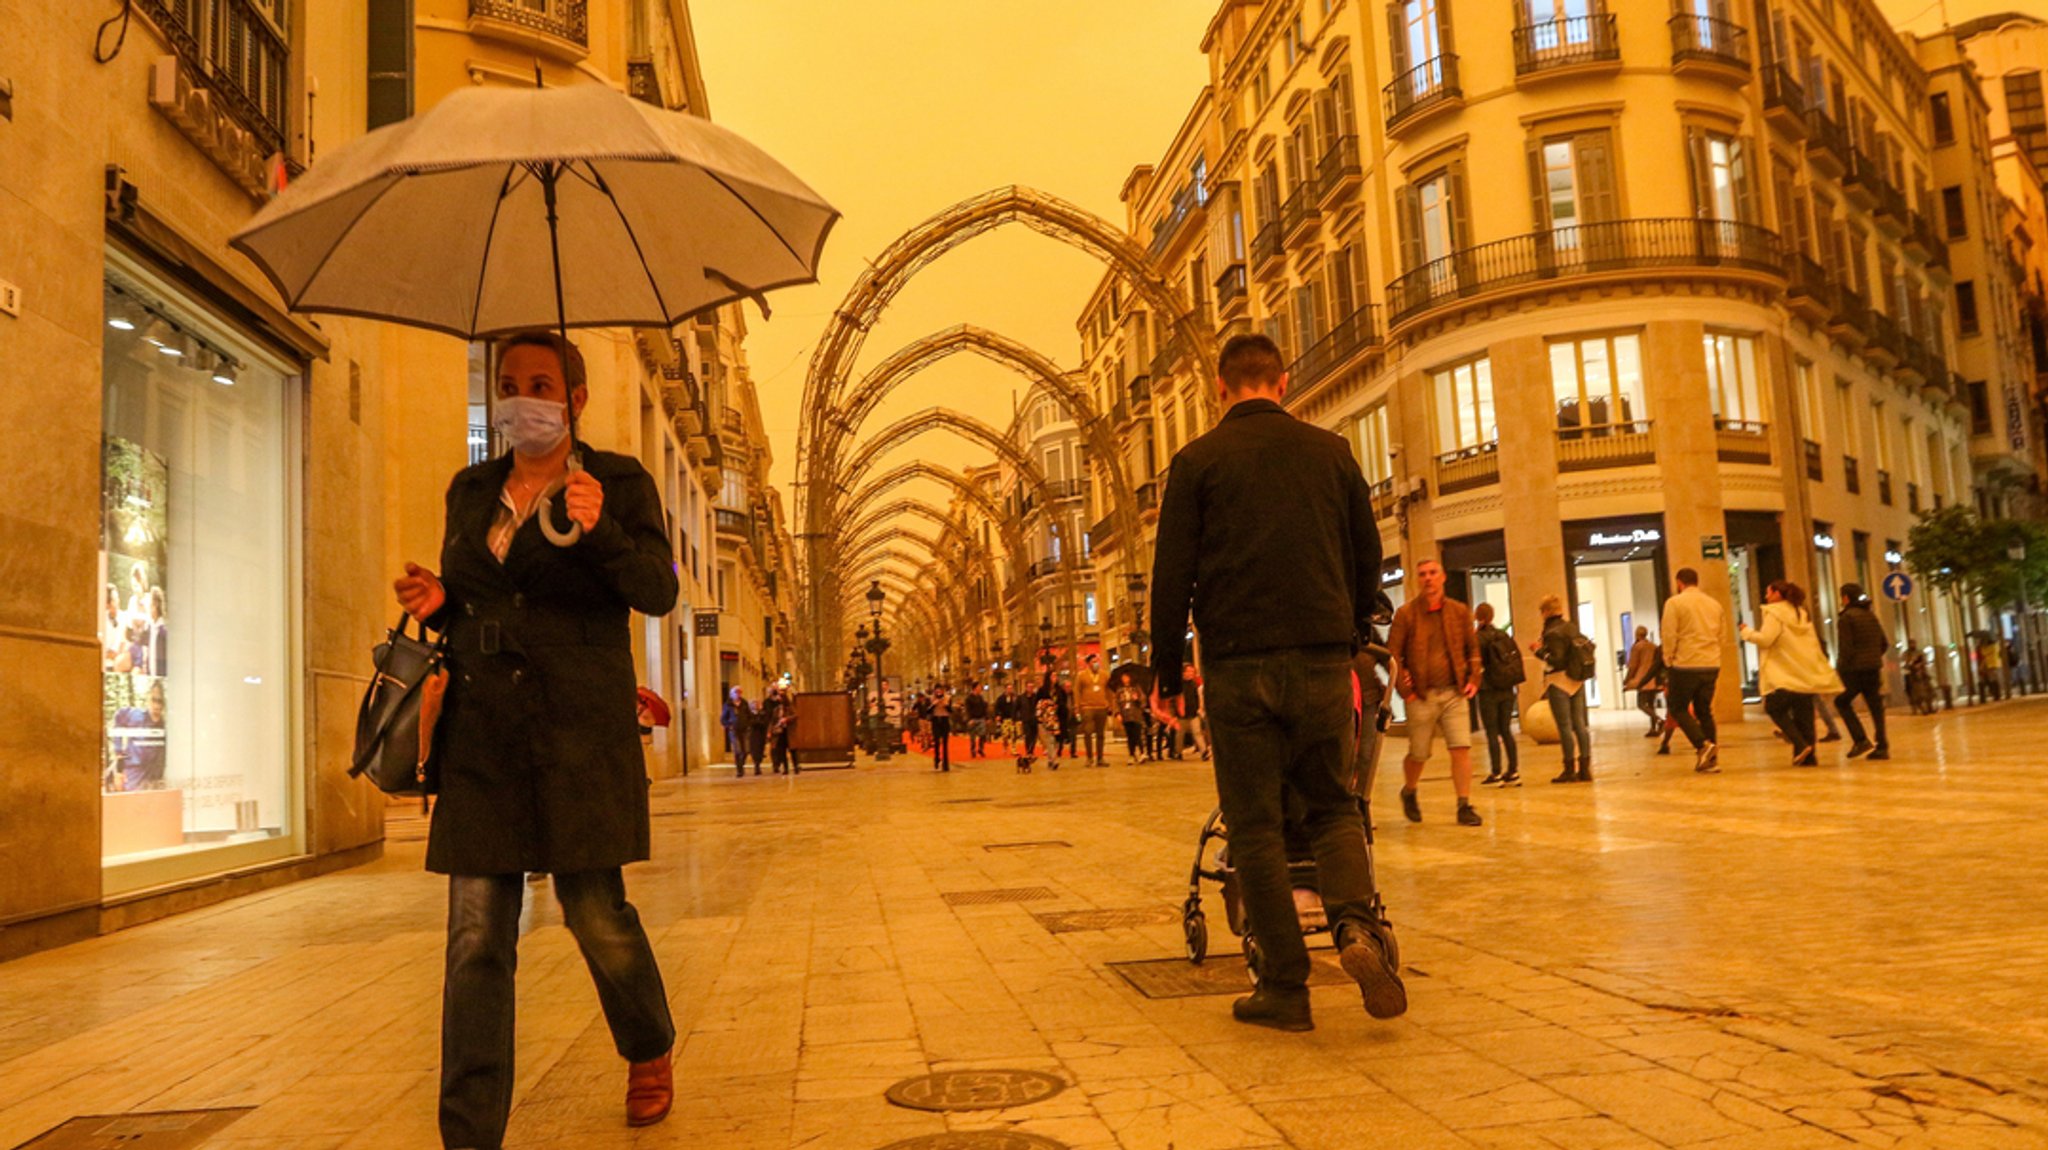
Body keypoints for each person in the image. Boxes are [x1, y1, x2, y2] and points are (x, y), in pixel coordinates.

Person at [390, 331, 677, 1147]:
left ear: (575, 399)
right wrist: (440, 601)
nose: (522, 398)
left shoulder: (617, 481)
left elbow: (657, 591)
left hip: (579, 731)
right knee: (477, 934)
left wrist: (602, 532)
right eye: (508, 383)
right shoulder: (471, 489)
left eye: (541, 384)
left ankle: (648, 1043)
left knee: (596, 913)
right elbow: (483, 604)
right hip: (485, 735)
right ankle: (470, 1129)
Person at [1149, 332, 1405, 1032]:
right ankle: (1355, 928)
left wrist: (1167, 672)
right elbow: (1367, 556)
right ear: (1283, 381)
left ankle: (1285, 988)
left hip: (1236, 665)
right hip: (1324, 662)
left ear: (1220, 390)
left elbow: (1172, 574)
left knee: (1256, 824)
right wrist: (1352, 632)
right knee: (1332, 807)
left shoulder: (1197, 461)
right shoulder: (1332, 453)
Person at [1388, 558, 1484, 825]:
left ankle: (1464, 804)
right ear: (1417, 580)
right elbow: (1392, 654)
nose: (1428, 578)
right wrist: (1404, 691)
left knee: (1460, 747)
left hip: (1454, 692)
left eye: (1432, 573)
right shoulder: (1406, 614)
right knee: (1419, 753)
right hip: (1421, 694)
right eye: (1422, 574)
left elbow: (1472, 648)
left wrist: (1474, 678)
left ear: (1442, 577)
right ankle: (1409, 790)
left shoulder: (1460, 611)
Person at [1741, 580, 1844, 766]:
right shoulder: (1801, 613)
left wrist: (1747, 632)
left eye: (1768, 592)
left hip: (1784, 672)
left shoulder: (1774, 613)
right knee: (1804, 715)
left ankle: (1799, 743)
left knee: (1774, 708)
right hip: (1803, 671)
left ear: (1777, 594)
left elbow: (1766, 640)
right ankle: (1809, 756)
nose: (1766, 597)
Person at [1660, 567, 1729, 774]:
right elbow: (1722, 636)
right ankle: (1712, 759)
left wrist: (1668, 658)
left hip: (1686, 664)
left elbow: (1669, 633)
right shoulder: (1714, 604)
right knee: (1704, 710)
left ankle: (1702, 745)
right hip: (1711, 663)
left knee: (1678, 707)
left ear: (1679, 582)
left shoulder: (1674, 603)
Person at [1532, 596, 1594, 784]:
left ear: (1545, 612)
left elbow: (1556, 659)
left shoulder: (1551, 632)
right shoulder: (1571, 627)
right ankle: (1585, 768)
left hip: (1559, 682)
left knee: (1564, 726)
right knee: (1580, 725)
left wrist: (1537, 650)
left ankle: (1569, 769)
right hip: (1577, 680)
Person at [1832, 583, 1892, 761]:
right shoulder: (1870, 615)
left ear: (1846, 598)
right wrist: (1873, 657)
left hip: (1854, 671)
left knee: (1842, 702)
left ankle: (1860, 739)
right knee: (1876, 707)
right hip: (1873, 668)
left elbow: (1846, 648)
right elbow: (1884, 643)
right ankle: (1882, 746)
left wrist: (1841, 669)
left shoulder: (1846, 618)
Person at [1472, 602, 1523, 787]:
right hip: (1507, 689)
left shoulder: (1478, 638)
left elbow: (1475, 665)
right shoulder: (1503, 636)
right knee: (1506, 730)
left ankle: (1496, 773)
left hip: (1488, 690)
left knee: (1492, 732)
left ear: (1478, 616)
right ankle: (1513, 771)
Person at [108, 678, 168, 791]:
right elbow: (118, 716)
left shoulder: (164, 727)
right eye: (154, 700)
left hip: (151, 781)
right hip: (132, 776)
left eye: (160, 701)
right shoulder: (137, 716)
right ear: (148, 700)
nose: (156, 705)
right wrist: (118, 751)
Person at [1623, 625, 1662, 737]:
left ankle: (1659, 720)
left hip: (1642, 679)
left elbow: (1633, 666)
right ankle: (1653, 728)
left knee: (1641, 704)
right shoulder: (1653, 646)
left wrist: (1627, 679)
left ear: (1637, 634)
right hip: (1653, 679)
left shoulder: (1637, 647)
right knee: (1651, 704)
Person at [1074, 654, 1112, 767]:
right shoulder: (1082, 676)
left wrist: (1110, 704)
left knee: (1101, 734)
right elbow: (1077, 691)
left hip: (1102, 707)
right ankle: (1089, 757)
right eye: (1093, 662)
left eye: (1097, 661)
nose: (1096, 664)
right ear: (1088, 663)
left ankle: (1100, 758)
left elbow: (1109, 690)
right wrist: (1077, 706)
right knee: (1088, 732)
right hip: (1087, 708)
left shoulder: (1105, 675)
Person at [722, 687, 759, 777]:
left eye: (740, 692)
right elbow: (723, 718)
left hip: (745, 730)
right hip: (734, 730)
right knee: (737, 750)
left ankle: (741, 764)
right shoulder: (728, 705)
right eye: (736, 692)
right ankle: (739, 770)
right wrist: (729, 725)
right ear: (732, 694)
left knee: (746, 750)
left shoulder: (744, 703)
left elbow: (749, 715)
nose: (738, 694)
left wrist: (749, 724)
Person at [1178, 666, 1210, 759]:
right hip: (1181, 714)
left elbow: (1196, 698)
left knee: (1197, 733)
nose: (1191, 674)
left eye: (1192, 672)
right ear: (1183, 673)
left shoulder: (1194, 684)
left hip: (1193, 713)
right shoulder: (1179, 685)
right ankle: (1177, 752)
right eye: (1189, 671)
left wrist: (1198, 708)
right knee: (1180, 735)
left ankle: (1204, 752)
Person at [762, 686, 795, 774]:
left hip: (788, 731)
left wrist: (786, 719)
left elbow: (795, 715)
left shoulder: (789, 707)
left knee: (791, 750)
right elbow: (772, 720)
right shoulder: (776, 708)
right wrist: (769, 731)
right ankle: (782, 767)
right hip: (778, 731)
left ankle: (795, 766)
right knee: (779, 749)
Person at [1116, 680, 1149, 762]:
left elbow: (1143, 702)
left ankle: (1142, 753)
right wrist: (1117, 713)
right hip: (1126, 715)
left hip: (1136, 715)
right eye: (1124, 678)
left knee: (1137, 734)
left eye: (1127, 677)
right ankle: (1132, 754)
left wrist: (1137, 699)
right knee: (1130, 735)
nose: (1126, 680)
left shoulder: (1137, 688)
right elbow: (1116, 702)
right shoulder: (1120, 690)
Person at [928, 683, 954, 772]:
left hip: (944, 720)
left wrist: (946, 705)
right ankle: (937, 758)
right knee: (936, 742)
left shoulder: (948, 698)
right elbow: (927, 711)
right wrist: (934, 704)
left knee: (945, 743)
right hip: (936, 721)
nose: (938, 692)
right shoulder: (931, 698)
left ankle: (945, 764)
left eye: (940, 690)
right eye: (937, 690)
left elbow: (951, 711)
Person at [964, 683, 990, 758]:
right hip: (973, 719)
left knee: (982, 734)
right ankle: (973, 750)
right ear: (975, 688)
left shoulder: (980, 697)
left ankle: (980, 748)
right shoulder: (969, 698)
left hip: (980, 718)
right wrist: (969, 719)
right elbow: (967, 709)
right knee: (972, 737)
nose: (980, 689)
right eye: (979, 687)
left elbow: (984, 708)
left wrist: (987, 718)